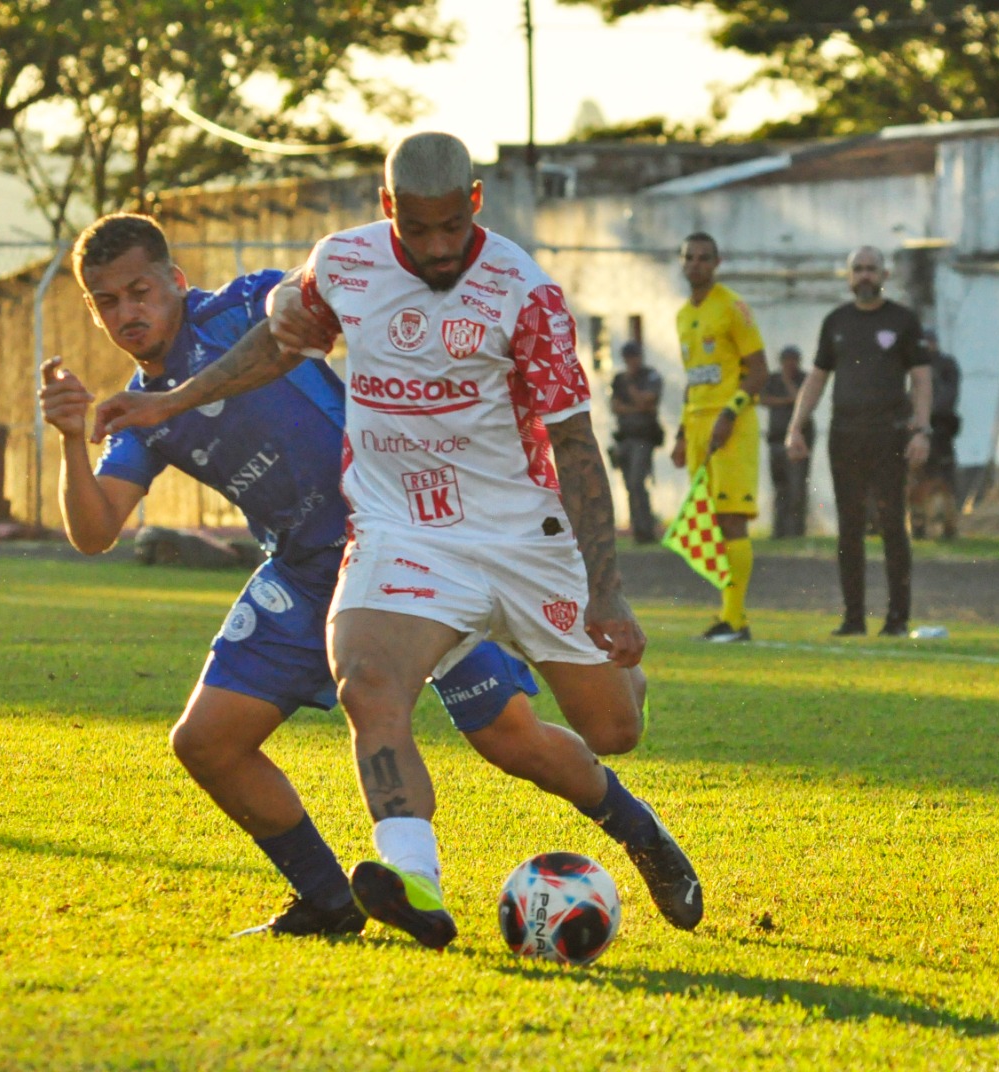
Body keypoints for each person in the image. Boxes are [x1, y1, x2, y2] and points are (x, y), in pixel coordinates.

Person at [92, 133, 702, 950]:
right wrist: (171, 404)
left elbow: (577, 443)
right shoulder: (343, 266)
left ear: (475, 203)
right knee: (369, 683)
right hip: (401, 529)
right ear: (389, 211)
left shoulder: (525, 294)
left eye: (454, 227)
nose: (440, 247)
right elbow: (280, 344)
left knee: (609, 727)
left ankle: (641, 827)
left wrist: (605, 587)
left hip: (520, 533)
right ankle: (413, 876)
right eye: (420, 230)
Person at [40, 212, 564, 938]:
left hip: (402, 538)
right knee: (206, 741)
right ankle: (327, 899)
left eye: (140, 291)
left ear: (176, 282)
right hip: (303, 568)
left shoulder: (245, 306)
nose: (128, 312)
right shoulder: (139, 411)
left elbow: (323, 297)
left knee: (512, 739)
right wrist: (71, 442)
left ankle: (643, 836)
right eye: (108, 302)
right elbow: (95, 531)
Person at [785, 246, 931, 637]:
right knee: (849, 527)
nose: (865, 276)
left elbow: (920, 378)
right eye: (858, 269)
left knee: (890, 522)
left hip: (890, 435)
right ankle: (853, 618)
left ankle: (897, 619)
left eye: (871, 269)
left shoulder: (903, 321)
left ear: (884, 275)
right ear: (849, 277)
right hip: (845, 435)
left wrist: (921, 430)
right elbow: (816, 378)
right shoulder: (836, 322)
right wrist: (796, 426)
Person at [670, 232, 769, 642]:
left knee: (731, 520)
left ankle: (736, 619)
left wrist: (730, 412)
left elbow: (760, 370)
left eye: (704, 258)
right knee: (709, 523)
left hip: (731, 426)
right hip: (697, 426)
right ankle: (728, 615)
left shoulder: (733, 308)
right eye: (689, 257)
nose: (696, 264)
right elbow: (692, 382)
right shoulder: (681, 316)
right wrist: (679, 433)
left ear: (717, 262)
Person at [907, 330, 962, 541]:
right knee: (917, 478)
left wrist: (926, 414)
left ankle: (949, 525)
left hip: (940, 431)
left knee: (944, 480)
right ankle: (918, 525)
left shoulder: (947, 365)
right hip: (918, 431)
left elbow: (950, 396)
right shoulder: (912, 366)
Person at [609, 340, 665, 543]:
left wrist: (632, 390)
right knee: (629, 485)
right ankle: (638, 529)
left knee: (637, 481)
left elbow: (647, 400)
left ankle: (646, 528)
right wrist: (637, 407)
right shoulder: (618, 379)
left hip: (644, 436)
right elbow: (615, 407)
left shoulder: (649, 376)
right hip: (624, 436)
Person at [761, 344, 813, 539]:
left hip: (799, 442)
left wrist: (787, 383)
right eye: (786, 360)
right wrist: (785, 401)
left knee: (797, 488)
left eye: (793, 360)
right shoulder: (773, 379)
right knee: (779, 487)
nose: (789, 364)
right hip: (775, 438)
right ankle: (779, 530)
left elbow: (798, 398)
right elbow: (762, 399)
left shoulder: (804, 379)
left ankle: (796, 531)